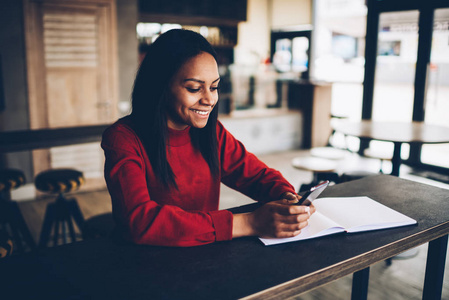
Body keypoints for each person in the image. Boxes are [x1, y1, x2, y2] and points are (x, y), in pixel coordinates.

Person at [101, 29, 315, 247]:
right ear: (161, 87)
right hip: (144, 260)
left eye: (214, 87)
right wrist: (247, 223)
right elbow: (140, 221)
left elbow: (254, 175)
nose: (210, 99)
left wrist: (287, 196)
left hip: (203, 253)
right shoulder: (123, 139)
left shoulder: (211, 132)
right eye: (194, 88)